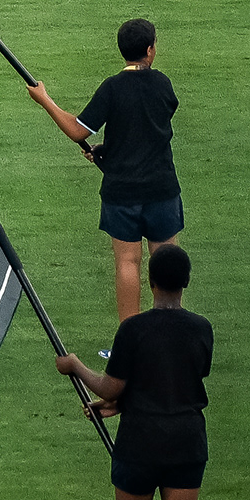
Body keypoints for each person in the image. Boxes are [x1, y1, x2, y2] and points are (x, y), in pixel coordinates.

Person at [53, 240, 214, 500]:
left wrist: (76, 367)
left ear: (150, 281)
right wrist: (118, 406)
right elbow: (175, 381)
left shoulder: (134, 329)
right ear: (186, 283)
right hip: (186, 439)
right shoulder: (201, 329)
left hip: (140, 441)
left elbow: (113, 385)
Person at [30, 18, 183, 323]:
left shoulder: (112, 89)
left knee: (128, 262)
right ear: (150, 50)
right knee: (166, 263)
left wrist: (45, 99)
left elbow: (77, 130)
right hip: (162, 190)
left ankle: (129, 342)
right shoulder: (163, 84)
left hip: (120, 193)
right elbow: (149, 129)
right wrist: (109, 152)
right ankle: (171, 333)